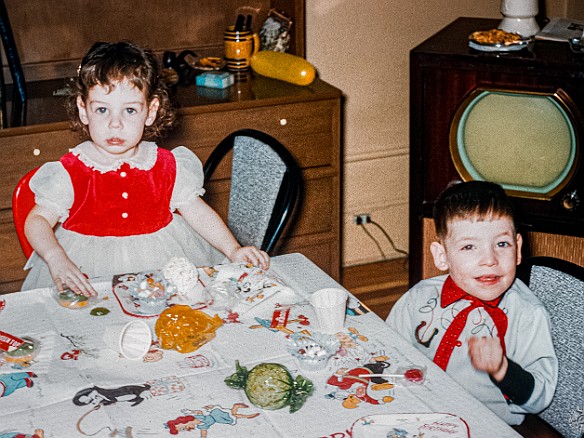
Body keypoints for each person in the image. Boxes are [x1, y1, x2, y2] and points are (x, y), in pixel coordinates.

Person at [22, 41, 269, 296]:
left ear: (150, 111)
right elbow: (37, 220)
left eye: (129, 110)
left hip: (160, 268)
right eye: (102, 110)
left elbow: (198, 214)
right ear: (84, 110)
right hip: (88, 273)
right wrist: (55, 257)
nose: (115, 124)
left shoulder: (166, 166)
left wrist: (233, 250)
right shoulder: (72, 170)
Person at [386, 181, 557, 426]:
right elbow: (391, 349)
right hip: (416, 411)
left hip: (483, 426)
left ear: (517, 249)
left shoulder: (528, 315)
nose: (489, 259)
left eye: (501, 244)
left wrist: (503, 369)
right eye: (469, 246)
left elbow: (540, 397)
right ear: (442, 256)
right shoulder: (419, 297)